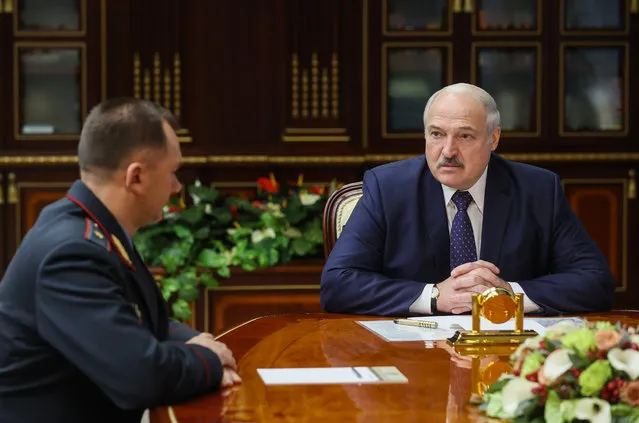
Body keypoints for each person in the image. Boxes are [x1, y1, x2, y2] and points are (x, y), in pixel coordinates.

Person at [0, 98, 241, 423]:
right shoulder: (70, 254)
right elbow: (140, 377)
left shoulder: (84, 223)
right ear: (136, 177)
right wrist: (208, 361)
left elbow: (125, 319)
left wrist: (190, 340)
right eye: (172, 173)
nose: (176, 187)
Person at [320, 83, 615, 317]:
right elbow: (338, 283)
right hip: (411, 356)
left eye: (465, 137)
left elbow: (594, 281)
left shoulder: (537, 189)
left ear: (494, 139)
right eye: (437, 134)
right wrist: (434, 296)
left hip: (505, 357)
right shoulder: (388, 187)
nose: (448, 150)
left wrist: (506, 295)